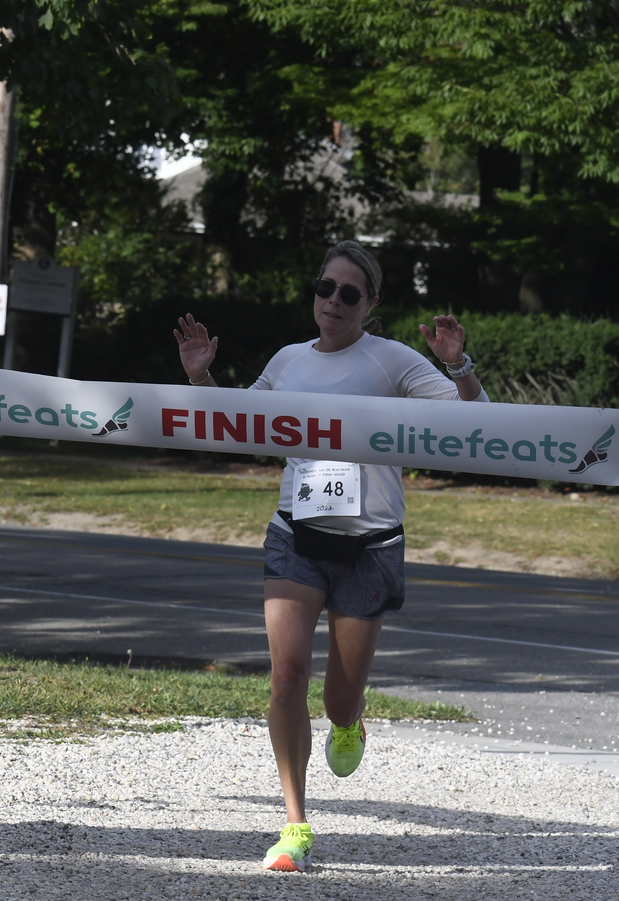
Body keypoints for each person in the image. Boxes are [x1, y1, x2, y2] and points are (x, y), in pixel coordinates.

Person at [174, 240, 488, 873]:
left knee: (339, 700)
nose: (334, 301)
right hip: (296, 536)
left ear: (370, 304)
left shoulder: (392, 360)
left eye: (350, 293)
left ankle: (350, 721)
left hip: (370, 547)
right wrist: (202, 378)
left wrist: (459, 365)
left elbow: (476, 419)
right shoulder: (288, 360)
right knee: (286, 677)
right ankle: (295, 824)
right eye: (326, 288)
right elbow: (239, 425)